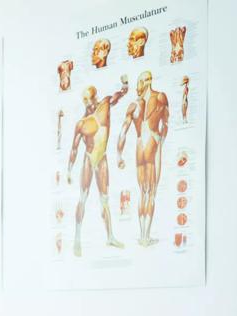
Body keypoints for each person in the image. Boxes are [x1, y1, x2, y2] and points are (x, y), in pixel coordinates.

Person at [66, 76, 129, 256]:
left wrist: (125, 84)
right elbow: (74, 148)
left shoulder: (105, 105)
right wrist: (69, 170)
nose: (89, 102)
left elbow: (121, 94)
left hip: (102, 158)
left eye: (91, 98)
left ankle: (110, 236)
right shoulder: (82, 124)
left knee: (105, 199)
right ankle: (77, 239)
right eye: (85, 100)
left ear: (96, 96)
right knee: (83, 198)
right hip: (88, 158)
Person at [118, 71, 170, 247]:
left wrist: (119, 155)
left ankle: (142, 235)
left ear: (143, 83)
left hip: (139, 146)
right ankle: (146, 237)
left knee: (142, 192)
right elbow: (166, 124)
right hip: (153, 141)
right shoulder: (161, 97)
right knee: (152, 192)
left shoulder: (133, 106)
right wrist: (161, 140)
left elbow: (123, 132)